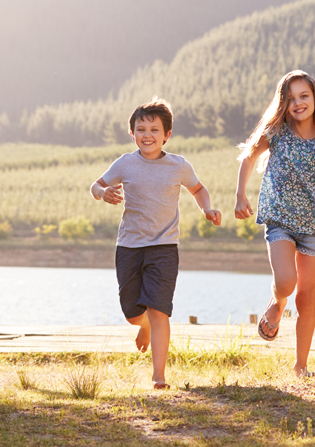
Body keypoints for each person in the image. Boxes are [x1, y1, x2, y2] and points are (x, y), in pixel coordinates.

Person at [91, 97, 221, 390]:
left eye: (153, 129)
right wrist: (104, 193)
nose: (147, 135)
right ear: (132, 134)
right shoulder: (125, 163)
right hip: (129, 246)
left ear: (167, 135)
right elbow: (95, 185)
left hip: (164, 247)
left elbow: (198, 189)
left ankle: (159, 376)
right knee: (132, 313)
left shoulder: (178, 165)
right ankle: (144, 326)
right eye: (140, 129)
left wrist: (207, 209)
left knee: (159, 308)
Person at [234, 70, 315, 377]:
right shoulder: (277, 131)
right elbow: (248, 157)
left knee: (306, 296)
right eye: (291, 98)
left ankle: (301, 366)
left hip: (314, 224)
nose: (298, 103)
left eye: (304, 96)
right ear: (283, 103)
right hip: (279, 218)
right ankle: (276, 303)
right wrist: (240, 196)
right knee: (287, 283)